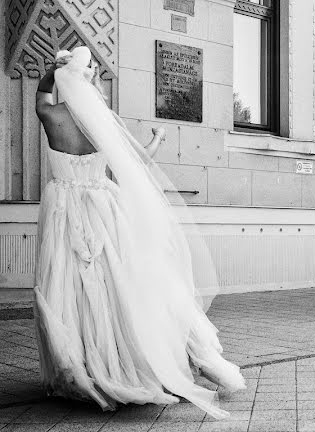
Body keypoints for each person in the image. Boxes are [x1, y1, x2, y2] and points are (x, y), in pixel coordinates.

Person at [33, 47, 245, 418]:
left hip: (64, 210)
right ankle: (132, 358)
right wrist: (158, 137)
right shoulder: (101, 124)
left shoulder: (50, 115)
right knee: (120, 287)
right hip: (103, 209)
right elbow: (138, 163)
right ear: (90, 85)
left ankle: (83, 365)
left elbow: (42, 94)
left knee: (72, 289)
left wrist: (55, 72)